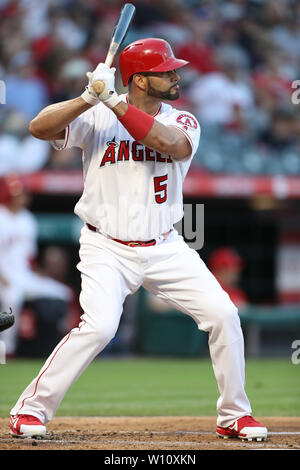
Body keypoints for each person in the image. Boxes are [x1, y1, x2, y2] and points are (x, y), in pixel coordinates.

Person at [9, 38, 267, 442]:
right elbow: (38, 127)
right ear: (141, 81)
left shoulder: (183, 121)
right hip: (105, 246)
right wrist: (85, 98)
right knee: (99, 328)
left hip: (165, 247)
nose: (176, 75)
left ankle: (234, 414)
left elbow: (167, 145)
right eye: (166, 71)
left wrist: (112, 100)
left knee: (224, 315)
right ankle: (31, 409)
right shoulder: (96, 116)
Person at [0, 175, 72, 356]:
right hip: (3, 277)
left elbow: (29, 258)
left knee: (63, 292)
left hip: (22, 275)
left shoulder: (27, 219)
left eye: (23, 194)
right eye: (17, 194)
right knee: (12, 299)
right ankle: (8, 349)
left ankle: (66, 344)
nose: (23, 198)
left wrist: (38, 274)